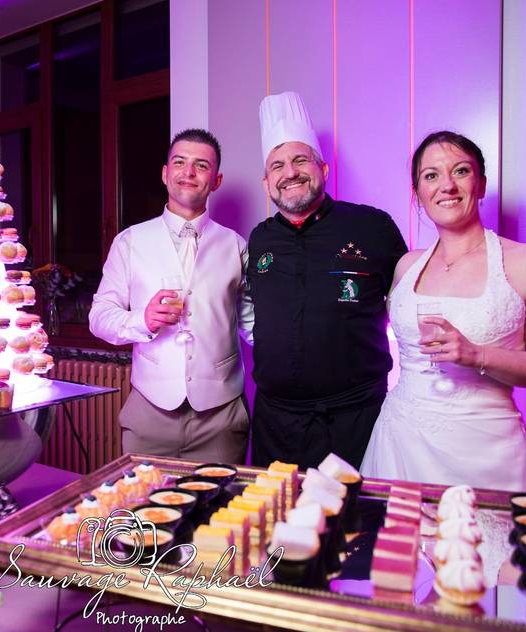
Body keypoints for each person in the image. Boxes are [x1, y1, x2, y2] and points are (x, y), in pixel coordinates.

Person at [360, 131, 526, 492]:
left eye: (460, 171)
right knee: (393, 545)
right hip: (400, 443)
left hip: (486, 449)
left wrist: (478, 354)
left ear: (481, 183)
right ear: (418, 194)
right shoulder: (406, 266)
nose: (447, 185)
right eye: (431, 176)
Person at [247, 92, 408, 470]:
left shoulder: (373, 226)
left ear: (324, 168)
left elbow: (409, 306)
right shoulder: (259, 239)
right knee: (276, 524)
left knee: (356, 525)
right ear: (267, 182)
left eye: (301, 160)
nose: (290, 173)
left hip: (357, 419)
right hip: (277, 423)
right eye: (278, 166)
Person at [89, 129, 253, 463]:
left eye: (201, 165)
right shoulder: (130, 241)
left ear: (216, 179)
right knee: (145, 508)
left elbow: (254, 324)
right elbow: (99, 317)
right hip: (150, 413)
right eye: (179, 162)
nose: (188, 172)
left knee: (222, 512)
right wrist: (141, 320)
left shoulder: (236, 245)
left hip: (220, 416)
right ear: (166, 174)